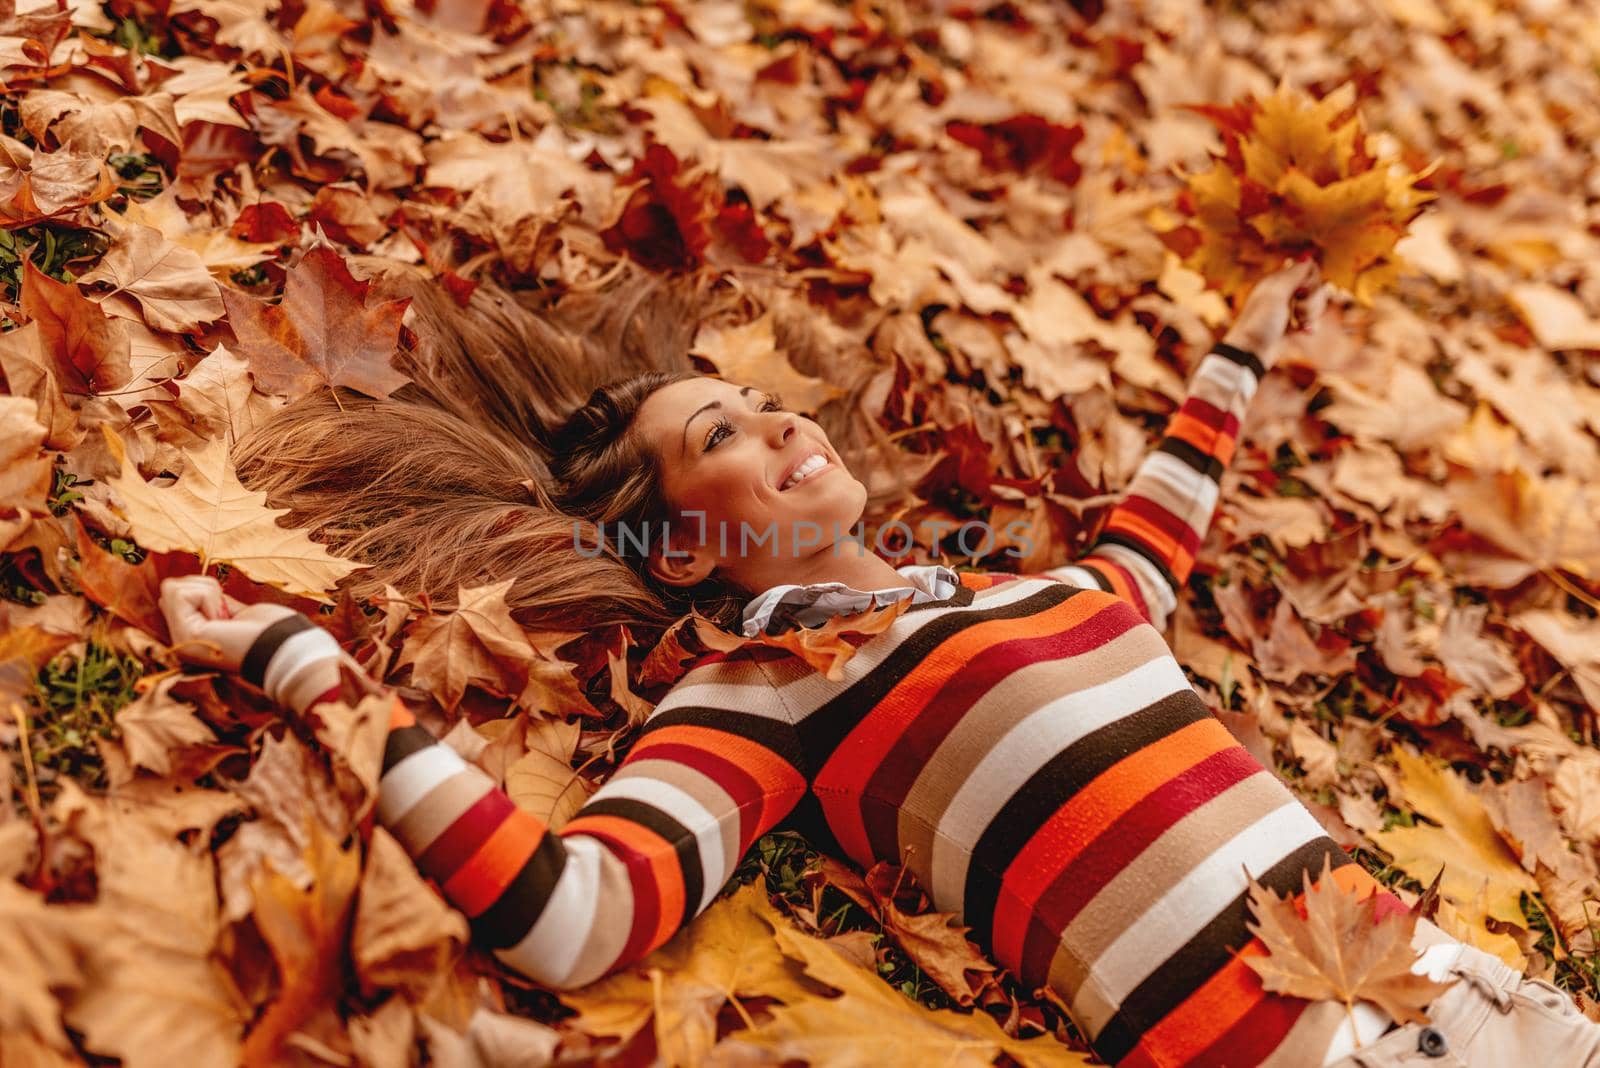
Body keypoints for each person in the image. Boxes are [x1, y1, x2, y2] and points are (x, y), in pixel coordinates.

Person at [159, 260, 1600, 1066]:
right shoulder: (768, 693)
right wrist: (300, 662)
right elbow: (574, 916)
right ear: (676, 548)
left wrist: (1241, 345)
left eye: (764, 409)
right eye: (720, 437)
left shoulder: (1031, 590)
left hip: (1458, 988)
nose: (785, 431)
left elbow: (1155, 541)